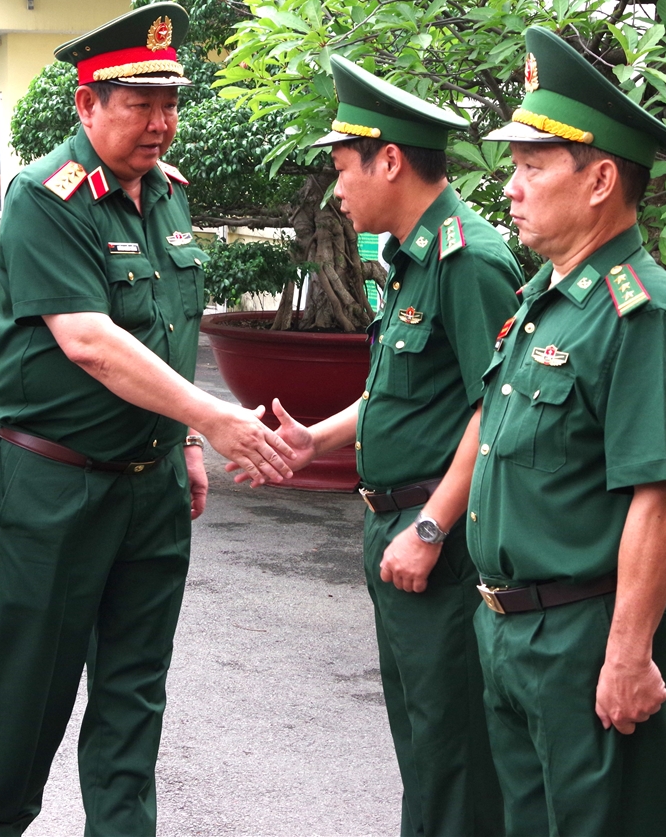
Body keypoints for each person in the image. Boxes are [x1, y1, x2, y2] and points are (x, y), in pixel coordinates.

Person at [0, 2, 298, 837]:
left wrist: (182, 437)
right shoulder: (47, 198)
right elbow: (90, 340)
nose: (160, 122)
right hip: (55, 480)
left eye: (169, 102)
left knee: (134, 683)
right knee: (34, 677)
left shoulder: (168, 197)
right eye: (138, 102)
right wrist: (214, 419)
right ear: (86, 105)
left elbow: (166, 336)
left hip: (147, 485)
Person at [235, 55, 517, 837]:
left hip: (436, 539)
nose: (336, 190)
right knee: (423, 742)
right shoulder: (407, 255)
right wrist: (311, 439)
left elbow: (493, 413)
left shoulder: (468, 259)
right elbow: (396, 389)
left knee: (453, 748)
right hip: (392, 531)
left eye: (341, 168)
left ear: (389, 160)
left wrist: (429, 526)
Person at [464, 27, 666, 836]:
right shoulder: (548, 296)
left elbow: (658, 499)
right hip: (510, 627)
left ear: (600, 179)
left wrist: (627, 653)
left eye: (532, 166)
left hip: (584, 635)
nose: (511, 186)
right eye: (515, 166)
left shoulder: (642, 313)